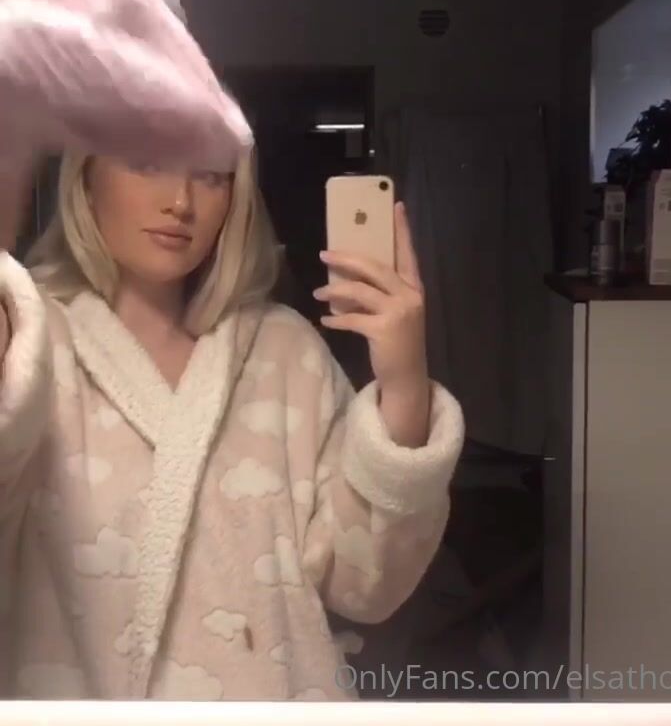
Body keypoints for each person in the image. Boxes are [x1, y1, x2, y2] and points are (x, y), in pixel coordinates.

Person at [0, 147, 464, 700]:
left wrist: (405, 383)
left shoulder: (285, 350)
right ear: (85, 177)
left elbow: (365, 584)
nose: (181, 202)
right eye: (149, 162)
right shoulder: (27, 345)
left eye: (211, 175)